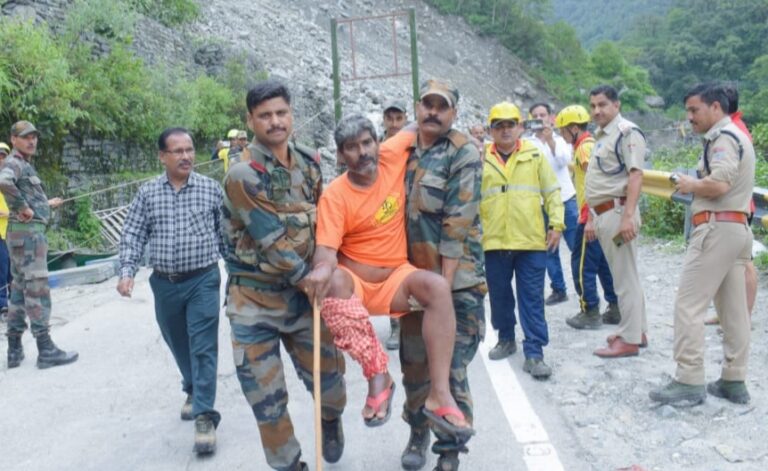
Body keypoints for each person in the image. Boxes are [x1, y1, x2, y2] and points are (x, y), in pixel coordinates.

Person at [310, 113, 474, 448]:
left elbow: (423, 123)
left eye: (367, 142)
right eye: (352, 148)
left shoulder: (392, 152)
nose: (362, 152)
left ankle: (439, 396)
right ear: (341, 155)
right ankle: (377, 376)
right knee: (335, 281)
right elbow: (326, 252)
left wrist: (465, 139)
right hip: (355, 284)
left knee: (437, 287)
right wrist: (321, 271)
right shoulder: (335, 195)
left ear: (377, 141)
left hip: (397, 278)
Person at [221, 80, 346, 471]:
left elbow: (327, 221)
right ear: (250, 120)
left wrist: (331, 268)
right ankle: (291, 465)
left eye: (281, 113)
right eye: (264, 116)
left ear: (291, 114)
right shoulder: (243, 173)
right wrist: (313, 277)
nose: (275, 122)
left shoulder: (310, 162)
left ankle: (330, 419)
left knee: (332, 387)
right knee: (268, 403)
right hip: (254, 304)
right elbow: (272, 241)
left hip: (304, 301)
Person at [117, 127, 223, 455]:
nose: (185, 156)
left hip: (203, 279)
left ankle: (205, 415)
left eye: (189, 149)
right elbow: (133, 233)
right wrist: (126, 271)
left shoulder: (211, 190)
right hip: (165, 283)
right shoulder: (148, 194)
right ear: (162, 156)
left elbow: (227, 237)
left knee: (203, 345)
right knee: (178, 343)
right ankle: (192, 388)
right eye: (176, 151)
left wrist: (238, 277)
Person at [399, 79, 486, 471]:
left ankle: (449, 451)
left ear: (453, 113)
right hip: (412, 280)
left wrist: (444, 292)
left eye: (442, 106)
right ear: (417, 106)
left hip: (457, 282)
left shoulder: (463, 153)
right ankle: (418, 432)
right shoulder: (401, 150)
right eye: (427, 104)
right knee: (415, 365)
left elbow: (457, 223)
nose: (433, 111)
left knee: (449, 370)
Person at [650, 83, 755, 406]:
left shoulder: (722, 139)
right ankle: (733, 380)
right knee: (734, 310)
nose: (690, 117)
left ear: (715, 108)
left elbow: (719, 183)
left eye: (695, 110)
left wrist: (690, 184)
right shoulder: (739, 136)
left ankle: (689, 378)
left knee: (689, 304)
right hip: (736, 229)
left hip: (715, 228)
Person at [480, 101, 563, 378]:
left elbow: (552, 191)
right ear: (491, 130)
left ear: (519, 127)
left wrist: (557, 224)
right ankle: (506, 339)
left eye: (510, 125)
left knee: (531, 298)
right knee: (500, 296)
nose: (505, 130)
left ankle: (535, 353)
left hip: (530, 241)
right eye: (499, 125)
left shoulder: (534, 154)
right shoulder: (482, 157)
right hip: (495, 241)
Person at [0, 121, 77, 370]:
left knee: (19, 290)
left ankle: (14, 349)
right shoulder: (14, 162)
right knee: (37, 288)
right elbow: (4, 181)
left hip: (22, 234)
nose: (31, 141)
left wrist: (43, 204)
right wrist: (23, 207)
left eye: (34, 137)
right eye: (25, 137)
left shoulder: (23, 164)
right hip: (29, 235)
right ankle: (45, 349)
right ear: (13, 139)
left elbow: (24, 192)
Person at [585, 85, 648, 358]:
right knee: (627, 275)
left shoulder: (626, 133)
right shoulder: (603, 136)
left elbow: (636, 175)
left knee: (623, 279)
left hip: (617, 212)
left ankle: (630, 339)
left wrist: (628, 216)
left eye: (603, 105)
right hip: (605, 213)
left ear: (616, 105)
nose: (597, 110)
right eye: (593, 106)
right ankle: (637, 330)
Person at [554, 106, 620, 329]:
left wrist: (590, 217)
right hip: (600, 212)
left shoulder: (584, 148)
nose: (562, 136)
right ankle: (615, 306)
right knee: (601, 264)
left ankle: (589, 310)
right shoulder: (591, 144)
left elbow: (595, 181)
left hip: (589, 214)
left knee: (581, 265)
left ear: (574, 128)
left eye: (563, 131)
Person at [704, 83, 756, 326]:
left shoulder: (734, 133)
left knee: (744, 265)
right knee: (729, 266)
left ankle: (742, 316)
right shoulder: (728, 129)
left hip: (737, 208)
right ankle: (727, 314)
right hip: (731, 209)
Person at [529, 103, 578, 306]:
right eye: (536, 116)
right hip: (542, 202)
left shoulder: (560, 140)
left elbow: (564, 160)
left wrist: (550, 140)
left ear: (551, 117)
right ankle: (559, 289)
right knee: (549, 249)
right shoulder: (527, 144)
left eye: (543, 115)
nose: (540, 119)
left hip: (565, 198)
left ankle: (585, 290)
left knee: (577, 247)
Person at [381, 99, 408, 351]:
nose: (394, 123)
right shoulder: (375, 147)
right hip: (387, 218)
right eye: (390, 118)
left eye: (399, 118)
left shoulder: (415, 145)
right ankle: (396, 326)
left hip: (414, 214)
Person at [0, 142, 11, 322]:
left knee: (10, 269)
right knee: (2, 270)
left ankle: (13, 303)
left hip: (8, 231)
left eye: (3, 156)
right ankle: (3, 305)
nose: (1, 159)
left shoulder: (9, 180)